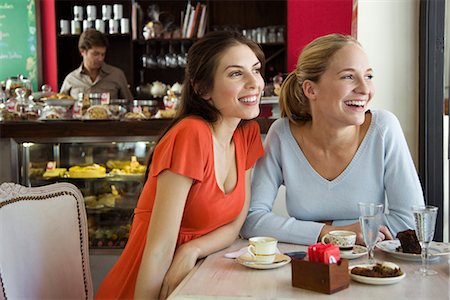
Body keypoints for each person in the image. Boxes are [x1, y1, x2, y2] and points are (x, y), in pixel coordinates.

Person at [96, 31, 265, 299]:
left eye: (255, 70)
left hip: (194, 279)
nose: (254, 83)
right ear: (202, 88)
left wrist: (191, 249)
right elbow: (160, 248)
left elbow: (235, 224)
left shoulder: (247, 134)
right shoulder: (191, 134)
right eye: (236, 74)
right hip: (145, 287)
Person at [240, 33, 425, 246]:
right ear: (311, 89)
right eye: (348, 77)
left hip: (373, 267)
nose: (365, 90)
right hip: (307, 265)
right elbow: (252, 220)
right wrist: (331, 231)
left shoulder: (383, 128)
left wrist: (318, 228)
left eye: (368, 76)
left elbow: (411, 222)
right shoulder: (282, 134)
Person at [60, 28, 133, 100]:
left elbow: (130, 105)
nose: (100, 59)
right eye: (95, 54)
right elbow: (60, 107)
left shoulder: (117, 75)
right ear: (83, 52)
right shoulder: (71, 79)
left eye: (103, 54)